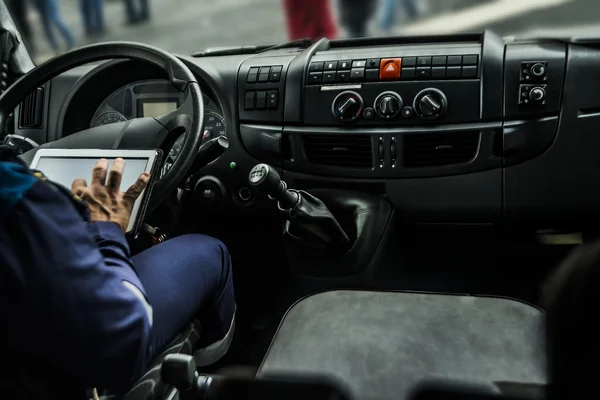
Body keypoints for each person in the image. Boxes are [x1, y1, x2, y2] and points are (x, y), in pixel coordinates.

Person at [0, 147, 236, 396]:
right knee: (210, 251)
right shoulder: (14, 193)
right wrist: (107, 229)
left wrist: (67, 228)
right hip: (64, 369)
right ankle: (211, 375)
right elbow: (121, 342)